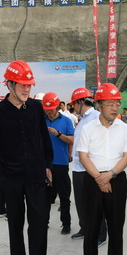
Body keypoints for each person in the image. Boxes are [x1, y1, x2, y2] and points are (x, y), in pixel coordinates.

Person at [0, 60, 60, 255]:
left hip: (36, 175)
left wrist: (47, 165)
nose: (27, 89)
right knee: (15, 224)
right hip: (12, 178)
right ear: (9, 84)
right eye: (22, 85)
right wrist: (1, 171)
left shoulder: (36, 107)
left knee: (39, 222)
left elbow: (44, 137)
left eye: (29, 85)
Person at [76, 83, 127, 255]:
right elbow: (83, 156)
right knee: (91, 227)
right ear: (99, 106)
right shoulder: (87, 128)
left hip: (117, 179)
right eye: (110, 104)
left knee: (116, 227)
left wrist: (110, 175)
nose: (115, 108)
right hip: (93, 181)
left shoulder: (124, 128)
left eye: (117, 104)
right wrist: (100, 179)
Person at [69, 87, 107, 246]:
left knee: (94, 203)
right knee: (81, 202)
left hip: (89, 168)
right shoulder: (82, 119)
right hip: (78, 167)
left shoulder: (96, 117)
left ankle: (100, 234)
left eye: (74, 105)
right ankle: (85, 228)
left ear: (80, 102)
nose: (73, 108)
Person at [42, 92, 74, 235]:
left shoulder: (66, 121)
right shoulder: (41, 121)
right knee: (45, 196)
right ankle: (44, 222)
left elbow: (71, 140)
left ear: (57, 107)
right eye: (46, 109)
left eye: (51, 109)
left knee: (64, 195)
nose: (49, 112)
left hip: (60, 163)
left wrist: (58, 134)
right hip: (45, 164)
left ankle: (66, 223)